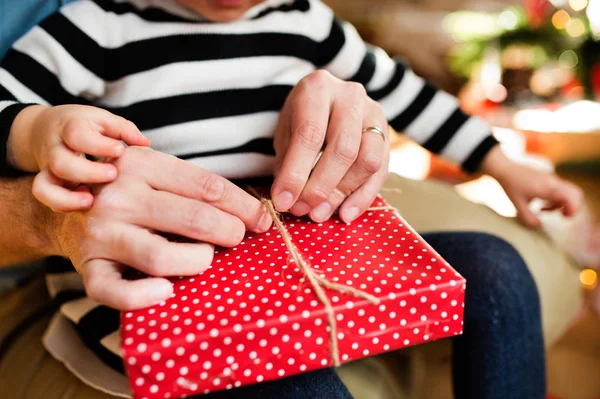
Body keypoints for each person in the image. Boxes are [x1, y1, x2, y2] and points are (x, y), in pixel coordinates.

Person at [0, 0, 584, 398]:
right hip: (166, 272)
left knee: (500, 270)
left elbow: (405, 94)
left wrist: (504, 166)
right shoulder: (97, 24)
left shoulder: (305, 19)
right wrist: (34, 130)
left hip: (299, 246)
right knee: (289, 382)